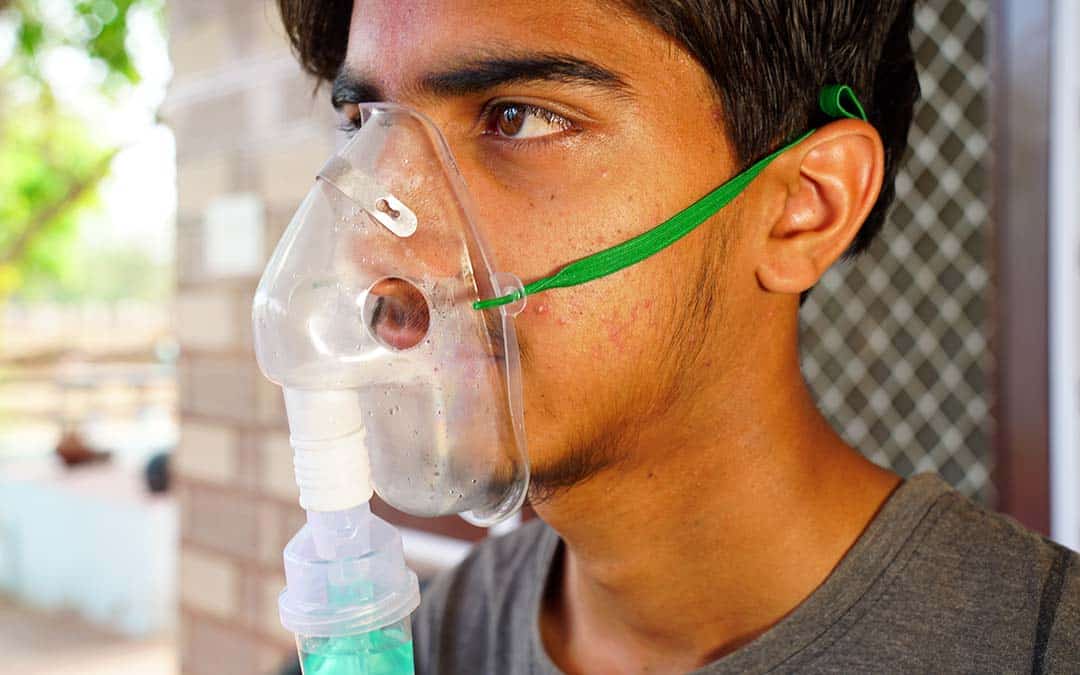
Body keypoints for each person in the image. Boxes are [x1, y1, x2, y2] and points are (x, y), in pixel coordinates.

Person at [275, 1, 1079, 672]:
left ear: (808, 205)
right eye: (362, 122)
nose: (375, 249)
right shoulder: (429, 644)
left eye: (515, 118)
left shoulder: (1042, 646)